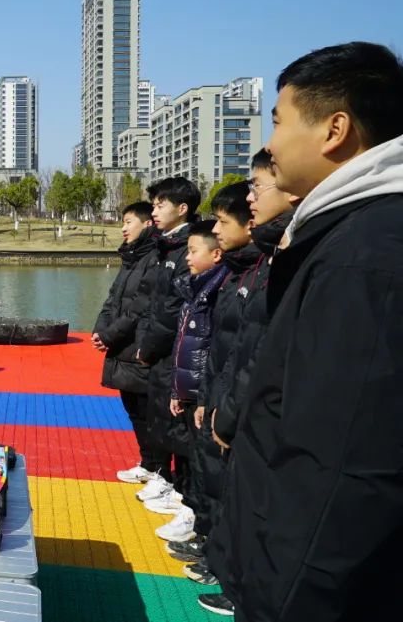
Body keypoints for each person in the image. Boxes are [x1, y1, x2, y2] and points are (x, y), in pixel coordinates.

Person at [216, 42, 403, 622]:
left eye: (278, 121)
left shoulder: (363, 259)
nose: (270, 143)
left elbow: (342, 468)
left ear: (334, 130)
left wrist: (283, 599)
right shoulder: (346, 237)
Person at [198, 150, 300, 613]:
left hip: (257, 413)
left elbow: (258, 348)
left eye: (258, 185)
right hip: (229, 399)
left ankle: (234, 579)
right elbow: (233, 344)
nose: (253, 197)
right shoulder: (260, 263)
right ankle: (222, 563)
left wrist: (229, 408)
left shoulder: (286, 259)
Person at [176, 183, 258, 606]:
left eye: (223, 222)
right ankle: (211, 546)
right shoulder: (239, 275)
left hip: (238, 404)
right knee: (208, 473)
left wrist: (221, 404)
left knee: (227, 483)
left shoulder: (255, 272)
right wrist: (206, 397)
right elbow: (221, 349)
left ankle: (226, 567)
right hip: (216, 394)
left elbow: (247, 348)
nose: (217, 230)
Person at [154, 221, 226, 547]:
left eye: (193, 251)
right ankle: (188, 505)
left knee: (201, 456)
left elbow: (210, 347)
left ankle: (196, 517)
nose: (187, 258)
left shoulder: (217, 290)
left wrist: (201, 397)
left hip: (204, 390)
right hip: (189, 386)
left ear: (216, 254)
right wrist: (177, 389)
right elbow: (184, 343)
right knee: (188, 450)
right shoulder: (194, 288)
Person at [133, 177, 201, 510]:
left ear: (182, 208)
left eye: (161, 205)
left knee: (176, 420)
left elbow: (173, 308)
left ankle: (180, 489)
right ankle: (164, 476)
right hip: (161, 349)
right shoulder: (165, 246)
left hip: (173, 349)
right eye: (154, 205)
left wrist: (149, 346)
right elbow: (152, 301)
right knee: (160, 413)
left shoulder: (187, 248)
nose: (155, 211)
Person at [91, 201, 163, 484]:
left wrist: (110, 335)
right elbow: (113, 299)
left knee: (147, 413)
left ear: (147, 224)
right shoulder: (131, 257)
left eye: (128, 222)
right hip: (122, 346)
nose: (123, 228)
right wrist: (100, 329)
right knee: (134, 410)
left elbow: (139, 307)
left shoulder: (154, 258)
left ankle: (159, 470)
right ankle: (148, 464)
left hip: (137, 347)